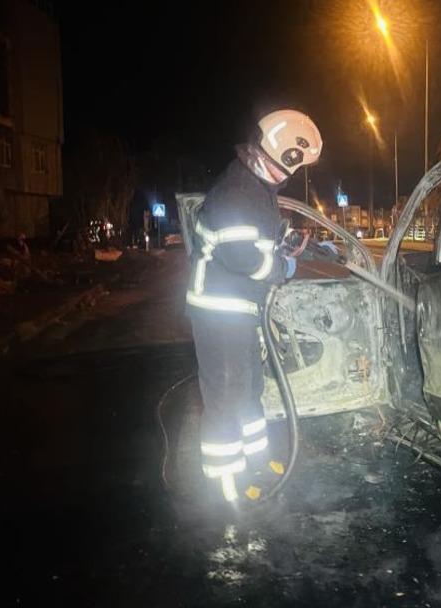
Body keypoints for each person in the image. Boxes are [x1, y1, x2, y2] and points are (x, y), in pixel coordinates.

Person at [185, 109, 322, 504]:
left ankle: (256, 463)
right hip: (218, 311)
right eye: (293, 165)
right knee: (226, 394)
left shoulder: (256, 188)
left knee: (249, 389)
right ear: (282, 153)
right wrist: (282, 267)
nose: (291, 174)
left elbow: (261, 235)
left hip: (239, 309)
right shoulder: (237, 190)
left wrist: (291, 243)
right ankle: (224, 482)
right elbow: (243, 257)